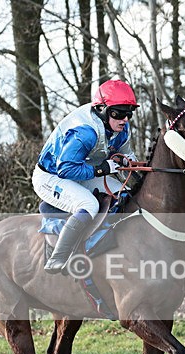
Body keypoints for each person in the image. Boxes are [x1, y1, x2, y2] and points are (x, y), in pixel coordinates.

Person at [32, 79, 139, 273]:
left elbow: (126, 153)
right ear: (102, 110)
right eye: (118, 113)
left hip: (83, 169)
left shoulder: (122, 128)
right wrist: (102, 169)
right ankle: (59, 257)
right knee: (89, 204)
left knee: (127, 195)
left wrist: (126, 161)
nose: (124, 119)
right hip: (52, 177)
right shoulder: (85, 132)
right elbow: (67, 170)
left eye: (128, 114)